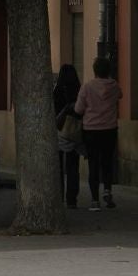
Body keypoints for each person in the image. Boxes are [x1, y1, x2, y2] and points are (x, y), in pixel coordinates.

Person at [75, 56, 122, 211]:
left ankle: (95, 200)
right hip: (109, 129)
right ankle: (107, 190)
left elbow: (78, 109)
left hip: (91, 130)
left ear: (94, 70)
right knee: (107, 162)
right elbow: (120, 95)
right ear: (108, 71)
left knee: (93, 164)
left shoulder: (87, 87)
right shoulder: (114, 86)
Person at [53, 64, 83, 209]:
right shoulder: (79, 91)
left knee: (57, 167)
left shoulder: (57, 91)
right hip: (74, 133)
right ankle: (72, 199)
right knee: (73, 167)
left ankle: (58, 197)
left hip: (59, 132)